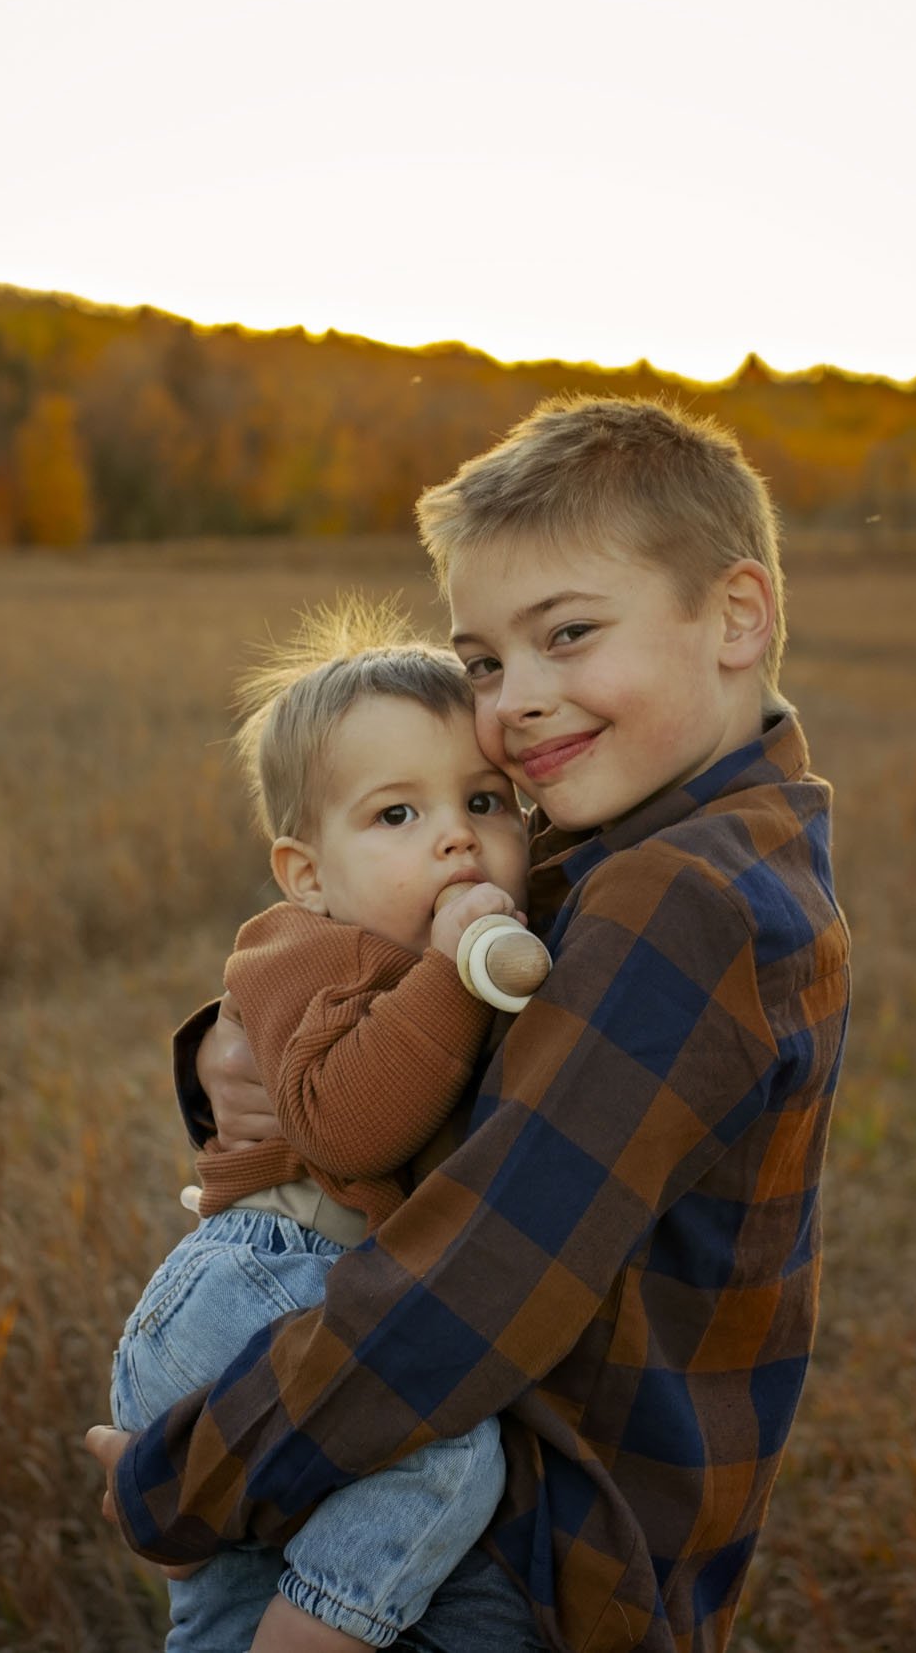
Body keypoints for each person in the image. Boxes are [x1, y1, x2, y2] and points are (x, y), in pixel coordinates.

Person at [89, 395, 853, 1653]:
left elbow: (473, 1287)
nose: (517, 703)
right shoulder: (683, 841)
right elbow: (386, 976)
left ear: (736, 614)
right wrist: (248, 1051)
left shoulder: (676, 898)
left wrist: (179, 1480)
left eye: (568, 635)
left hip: (519, 1556)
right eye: (487, 661)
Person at [108, 598, 532, 1652]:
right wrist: (448, 970)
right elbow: (348, 1127)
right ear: (308, 874)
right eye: (397, 815)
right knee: (444, 1448)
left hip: (306, 1276)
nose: (454, 835)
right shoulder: (305, 949)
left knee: (228, 1600)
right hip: (257, 1274)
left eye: (486, 799)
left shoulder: (468, 936)